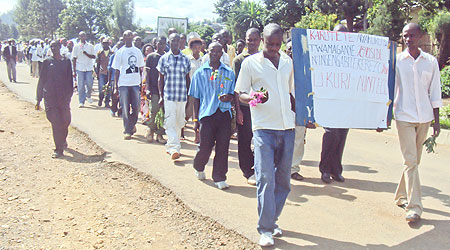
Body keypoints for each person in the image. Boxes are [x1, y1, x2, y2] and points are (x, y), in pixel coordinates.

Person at [235, 23, 296, 247]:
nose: (273, 48)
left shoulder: (288, 62)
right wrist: (253, 97)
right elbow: (239, 93)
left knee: (283, 181)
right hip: (263, 130)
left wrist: (304, 115)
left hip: (287, 128)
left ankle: (273, 219)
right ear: (262, 40)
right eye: (270, 44)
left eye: (278, 44)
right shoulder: (250, 64)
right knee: (265, 178)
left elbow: (292, 94)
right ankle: (265, 229)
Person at [393, 23, 442, 223]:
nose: (408, 39)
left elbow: (435, 91)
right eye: (405, 36)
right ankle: (414, 207)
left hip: (424, 118)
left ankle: (400, 195)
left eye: (412, 35)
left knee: (414, 161)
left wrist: (436, 121)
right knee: (411, 160)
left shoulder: (430, 62)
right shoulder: (397, 62)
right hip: (404, 117)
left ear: (420, 36)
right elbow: (390, 89)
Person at [189, 42, 236, 190]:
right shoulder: (199, 73)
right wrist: (195, 120)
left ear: (222, 54)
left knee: (223, 147)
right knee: (205, 146)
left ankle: (220, 177)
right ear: (207, 52)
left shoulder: (229, 72)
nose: (215, 54)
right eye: (212, 52)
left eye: (218, 52)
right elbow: (195, 98)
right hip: (207, 115)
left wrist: (229, 97)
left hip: (224, 114)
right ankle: (199, 166)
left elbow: (234, 94)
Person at [318, 24, 350, 184]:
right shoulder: (325, 53)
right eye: (337, 35)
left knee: (342, 136)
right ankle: (324, 169)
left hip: (345, 103)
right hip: (329, 102)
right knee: (331, 135)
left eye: (343, 35)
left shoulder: (352, 56)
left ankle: (336, 170)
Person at [232, 28, 261, 185]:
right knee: (244, 139)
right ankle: (247, 170)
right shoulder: (238, 60)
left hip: (260, 107)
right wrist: (238, 111)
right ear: (245, 39)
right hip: (244, 106)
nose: (252, 43)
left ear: (260, 40)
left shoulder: (265, 58)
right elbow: (237, 88)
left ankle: (258, 168)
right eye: (249, 39)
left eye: (255, 39)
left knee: (259, 139)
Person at [35, 41, 74, 158]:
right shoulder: (47, 62)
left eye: (56, 46)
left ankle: (62, 139)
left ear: (60, 47)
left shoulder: (66, 62)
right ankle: (58, 149)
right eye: (52, 46)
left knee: (66, 121)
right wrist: (38, 98)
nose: (54, 48)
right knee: (55, 121)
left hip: (63, 97)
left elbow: (69, 80)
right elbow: (42, 80)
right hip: (50, 97)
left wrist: (69, 95)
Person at [157, 33, 191, 160]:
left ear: (181, 43)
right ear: (169, 42)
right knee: (170, 121)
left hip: (182, 96)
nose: (175, 43)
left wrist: (189, 95)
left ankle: (171, 146)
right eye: (173, 41)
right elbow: (160, 79)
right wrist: (161, 95)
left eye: (177, 41)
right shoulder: (164, 59)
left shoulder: (186, 59)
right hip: (169, 96)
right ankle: (174, 148)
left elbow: (188, 79)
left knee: (179, 122)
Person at [112, 30, 145, 140]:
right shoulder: (120, 52)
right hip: (124, 84)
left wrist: (142, 83)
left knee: (136, 108)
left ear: (132, 37)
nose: (128, 37)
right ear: (123, 37)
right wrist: (116, 87)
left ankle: (132, 124)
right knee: (125, 108)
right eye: (126, 35)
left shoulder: (137, 52)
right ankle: (127, 130)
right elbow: (116, 70)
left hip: (135, 84)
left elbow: (141, 69)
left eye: (130, 35)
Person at [285, 39, 309, 181]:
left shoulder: (306, 66)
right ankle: (280, 167)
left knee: (298, 139)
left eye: (295, 49)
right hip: (283, 108)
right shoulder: (280, 64)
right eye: (289, 49)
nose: (292, 51)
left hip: (299, 108)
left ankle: (293, 169)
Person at [145, 36, 167, 144]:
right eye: (160, 43)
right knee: (154, 109)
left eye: (164, 43)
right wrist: (147, 88)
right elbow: (147, 74)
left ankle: (160, 134)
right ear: (155, 44)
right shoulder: (151, 57)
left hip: (166, 88)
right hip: (154, 88)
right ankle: (150, 130)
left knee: (163, 111)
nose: (162, 45)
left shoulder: (168, 57)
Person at [184, 37, 204, 143]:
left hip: (201, 90)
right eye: (195, 48)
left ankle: (197, 135)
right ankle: (182, 128)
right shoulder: (186, 59)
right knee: (188, 112)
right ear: (191, 48)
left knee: (199, 113)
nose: (197, 50)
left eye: (199, 47)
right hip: (190, 89)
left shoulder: (204, 59)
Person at [72, 31, 95, 107]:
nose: (82, 38)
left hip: (88, 67)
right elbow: (74, 58)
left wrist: (86, 54)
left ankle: (88, 95)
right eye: (81, 36)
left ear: (86, 37)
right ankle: (81, 101)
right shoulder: (76, 46)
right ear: (79, 37)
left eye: (84, 36)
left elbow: (94, 56)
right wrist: (74, 70)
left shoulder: (90, 46)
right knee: (80, 85)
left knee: (89, 83)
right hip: (80, 67)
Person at [108, 40, 125, 117]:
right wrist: (109, 81)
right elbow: (110, 69)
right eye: (119, 46)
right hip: (114, 79)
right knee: (114, 96)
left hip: (124, 79)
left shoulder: (126, 56)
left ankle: (121, 110)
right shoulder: (113, 57)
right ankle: (113, 109)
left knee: (123, 97)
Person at [96, 38, 113, 107]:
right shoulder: (100, 53)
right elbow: (98, 64)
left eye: (106, 43)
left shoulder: (112, 53)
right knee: (101, 88)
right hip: (102, 73)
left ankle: (107, 101)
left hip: (109, 73)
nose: (105, 45)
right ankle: (100, 98)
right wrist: (97, 74)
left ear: (109, 44)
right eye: (103, 43)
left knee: (109, 88)